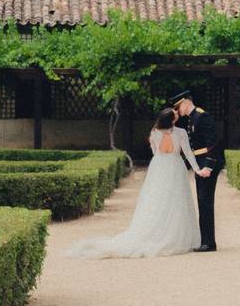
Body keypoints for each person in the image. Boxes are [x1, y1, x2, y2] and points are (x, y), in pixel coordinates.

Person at [66, 108, 204, 258]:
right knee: (176, 200)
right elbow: (188, 152)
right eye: (175, 114)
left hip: (158, 166)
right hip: (175, 166)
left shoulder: (154, 132)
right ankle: (175, 235)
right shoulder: (181, 132)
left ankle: (159, 231)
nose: (177, 114)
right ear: (172, 119)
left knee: (156, 199)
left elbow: (155, 152)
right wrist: (196, 168)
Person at [170, 90, 225, 252]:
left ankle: (209, 243)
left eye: (179, 107)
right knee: (203, 201)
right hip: (200, 162)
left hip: (206, 164)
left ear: (186, 102)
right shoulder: (192, 118)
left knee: (205, 202)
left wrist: (208, 166)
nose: (178, 111)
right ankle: (205, 240)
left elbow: (213, 143)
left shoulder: (202, 116)